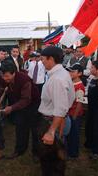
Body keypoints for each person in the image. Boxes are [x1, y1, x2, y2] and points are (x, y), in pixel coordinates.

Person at [37, 46, 75, 176]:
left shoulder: (57, 79)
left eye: (42, 59)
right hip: (56, 120)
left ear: (51, 59)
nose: (41, 62)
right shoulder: (60, 73)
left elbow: (60, 109)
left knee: (52, 163)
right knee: (54, 159)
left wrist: (51, 132)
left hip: (53, 122)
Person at [0, 61, 41, 161]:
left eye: (7, 76)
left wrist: (11, 108)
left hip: (33, 104)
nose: (4, 79)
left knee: (35, 130)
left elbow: (26, 99)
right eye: (3, 76)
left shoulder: (24, 80)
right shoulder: (3, 78)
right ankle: (20, 150)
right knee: (20, 127)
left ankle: (36, 152)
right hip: (18, 105)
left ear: (14, 73)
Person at [66, 64, 85, 159]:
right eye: (70, 71)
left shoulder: (80, 87)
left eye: (73, 71)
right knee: (69, 133)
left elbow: (79, 103)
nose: (70, 73)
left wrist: (74, 116)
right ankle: (69, 150)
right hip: (69, 113)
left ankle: (73, 154)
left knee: (74, 134)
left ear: (80, 73)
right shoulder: (72, 82)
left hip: (74, 114)